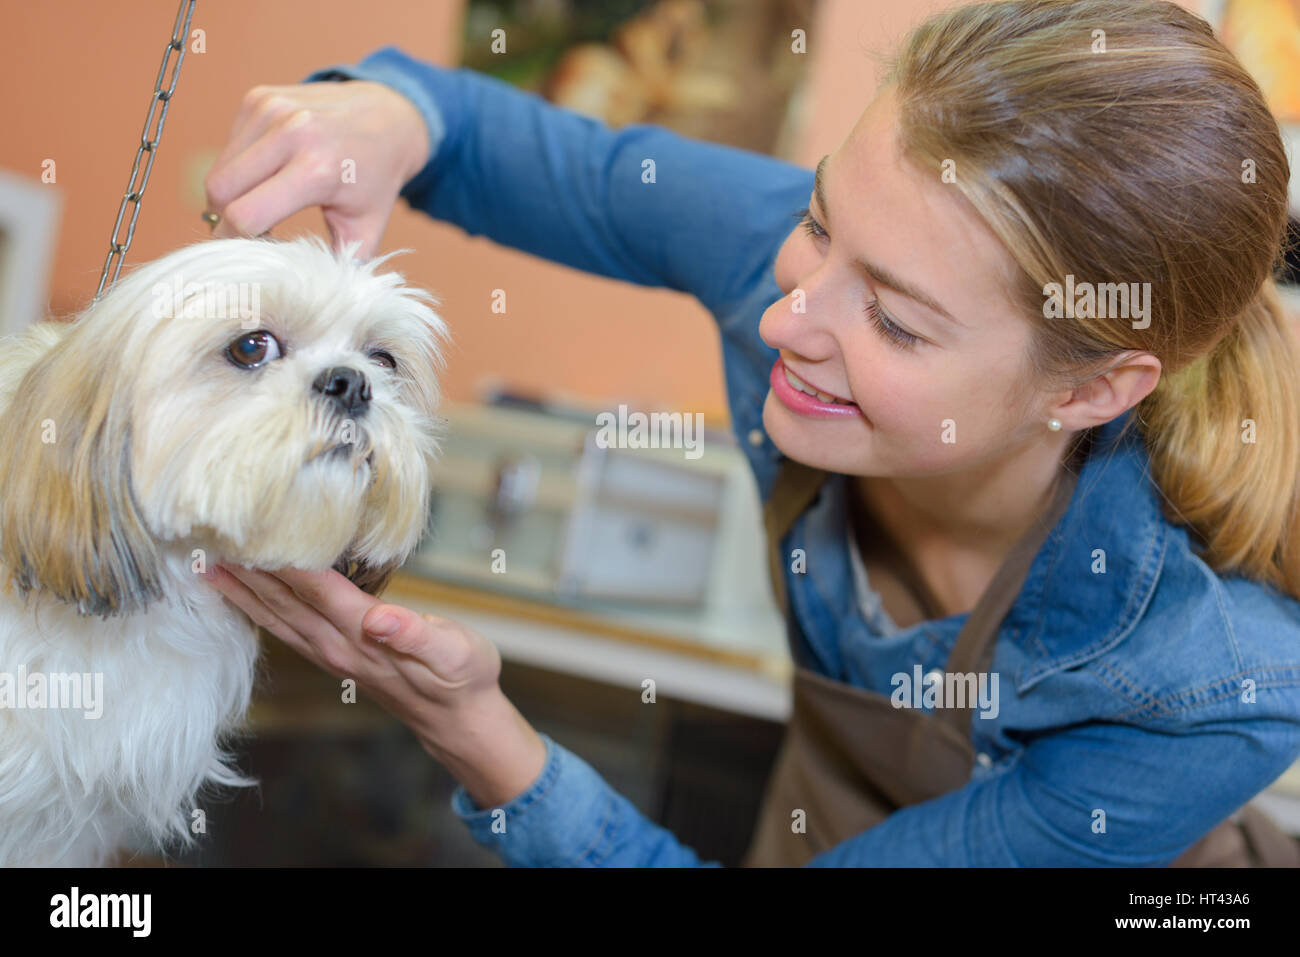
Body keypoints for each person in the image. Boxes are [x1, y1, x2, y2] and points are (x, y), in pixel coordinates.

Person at [201, 0, 1300, 866]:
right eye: (817, 223)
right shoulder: (852, 256)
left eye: (896, 322)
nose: (786, 318)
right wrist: (388, 111)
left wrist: (480, 738)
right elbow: (511, 144)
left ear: (1094, 391)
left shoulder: (1209, 684)